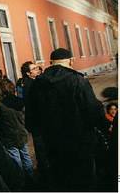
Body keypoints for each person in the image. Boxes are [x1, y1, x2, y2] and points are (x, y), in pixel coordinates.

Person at [27, 48, 105, 191]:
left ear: (51, 63)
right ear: (70, 61)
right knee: (84, 182)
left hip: (52, 145)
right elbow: (94, 113)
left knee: (60, 181)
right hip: (80, 144)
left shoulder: (37, 84)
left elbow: (31, 120)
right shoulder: (78, 81)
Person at [0, 80, 34, 179]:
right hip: (21, 133)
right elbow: (26, 117)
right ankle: (31, 177)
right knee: (26, 155)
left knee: (15, 158)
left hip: (8, 135)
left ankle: (20, 179)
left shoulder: (0, 105)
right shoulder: (21, 101)